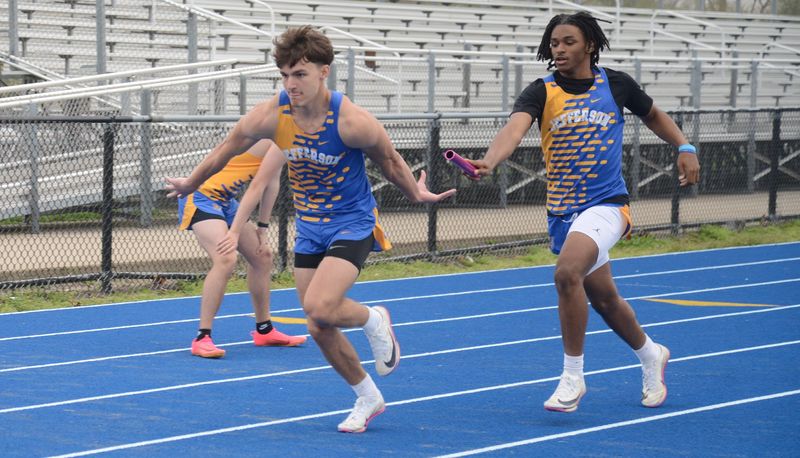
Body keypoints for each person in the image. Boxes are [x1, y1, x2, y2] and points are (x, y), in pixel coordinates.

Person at [166, 25, 455, 431]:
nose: (291, 83)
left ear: (324, 72)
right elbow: (226, 149)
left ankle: (373, 319)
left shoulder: (351, 121)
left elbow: (390, 161)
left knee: (320, 306)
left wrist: (415, 193)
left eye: (300, 74)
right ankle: (367, 397)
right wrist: (191, 183)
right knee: (318, 324)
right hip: (310, 227)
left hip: (351, 222)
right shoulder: (273, 115)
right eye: (285, 74)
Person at [467, 12, 700, 412]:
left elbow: (653, 115)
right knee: (605, 300)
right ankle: (651, 354)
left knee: (566, 273)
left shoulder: (616, 84)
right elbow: (514, 130)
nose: (559, 49)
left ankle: (572, 376)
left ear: (590, 45)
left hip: (607, 204)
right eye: (554, 43)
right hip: (563, 213)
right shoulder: (541, 91)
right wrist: (490, 159)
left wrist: (685, 146)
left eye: (568, 42)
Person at [177, 139, 306, 358]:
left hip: (226, 200)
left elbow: (271, 184)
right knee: (226, 258)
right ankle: (202, 337)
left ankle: (264, 330)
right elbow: (257, 187)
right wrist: (236, 231)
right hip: (202, 197)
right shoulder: (273, 133)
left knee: (262, 257)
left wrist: (263, 228)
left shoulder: (288, 139)